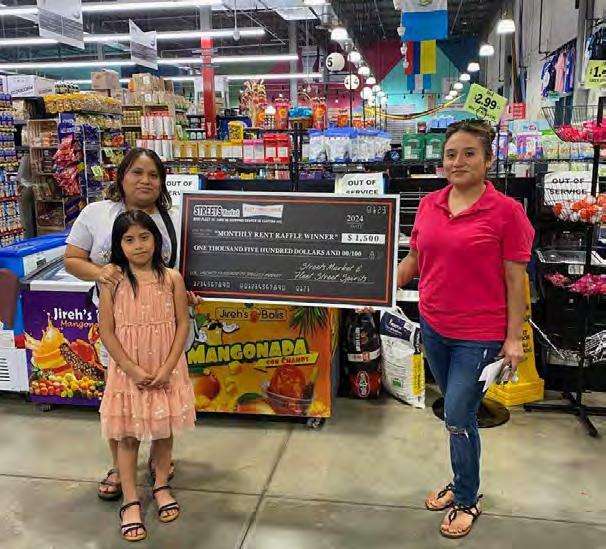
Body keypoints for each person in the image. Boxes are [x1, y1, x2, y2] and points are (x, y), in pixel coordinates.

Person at [398, 120, 534, 539]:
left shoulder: (507, 213)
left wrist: (513, 338)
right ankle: (461, 480)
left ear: (488, 159)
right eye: (451, 154)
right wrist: (377, 287)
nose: (458, 162)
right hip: (434, 324)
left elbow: (516, 281)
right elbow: (414, 260)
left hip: (480, 334)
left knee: (458, 413)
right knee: (457, 416)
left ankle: (467, 498)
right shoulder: (430, 204)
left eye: (469, 153)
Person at [64, 148, 188, 500]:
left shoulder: (175, 217)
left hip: (162, 329)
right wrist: (100, 273)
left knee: (163, 394)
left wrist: (188, 292)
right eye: (137, 172)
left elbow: (182, 268)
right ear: (121, 176)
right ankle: (121, 467)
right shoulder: (96, 214)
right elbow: (72, 259)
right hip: (119, 330)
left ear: (162, 182)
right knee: (121, 400)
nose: (145, 181)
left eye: (153, 175)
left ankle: (159, 463)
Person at [98, 210, 195, 542]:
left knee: (163, 431)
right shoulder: (112, 282)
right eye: (129, 239)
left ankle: (162, 485)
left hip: (166, 369)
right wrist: (132, 369)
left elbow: (182, 323)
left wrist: (167, 368)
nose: (138, 245)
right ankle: (130, 500)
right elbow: (107, 331)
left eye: (144, 237)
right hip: (129, 373)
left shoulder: (172, 279)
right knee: (128, 437)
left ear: (156, 240)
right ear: (119, 245)